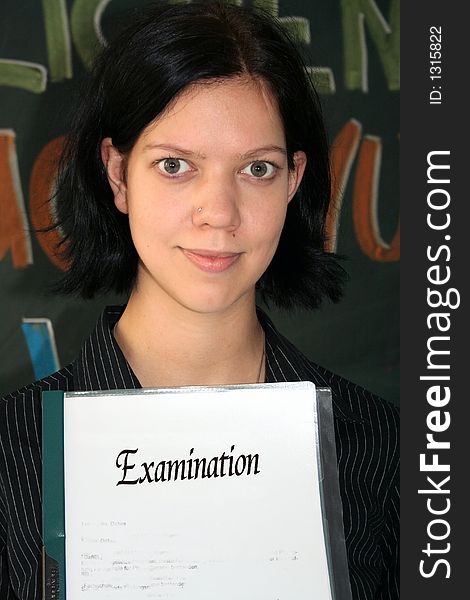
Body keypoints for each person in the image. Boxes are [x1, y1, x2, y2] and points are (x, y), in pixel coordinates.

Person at [0, 1, 399, 598]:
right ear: (117, 175)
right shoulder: (12, 452)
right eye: (175, 165)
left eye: (256, 170)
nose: (219, 213)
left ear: (293, 180)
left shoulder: (381, 447)